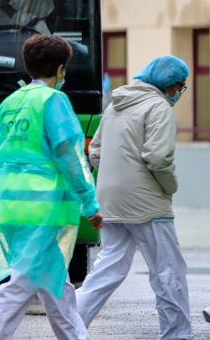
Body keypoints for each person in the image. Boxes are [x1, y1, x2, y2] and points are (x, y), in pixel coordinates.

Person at [0, 34, 102, 340]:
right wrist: (90, 204)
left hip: (8, 207)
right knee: (19, 288)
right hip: (42, 210)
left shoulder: (10, 104)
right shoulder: (53, 101)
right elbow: (69, 156)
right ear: (60, 68)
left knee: (59, 290)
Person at [76, 55, 192, 339]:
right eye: (179, 86)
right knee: (168, 272)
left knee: (108, 268)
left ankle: (70, 323)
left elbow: (95, 152)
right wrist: (170, 187)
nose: (179, 93)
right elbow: (159, 158)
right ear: (167, 84)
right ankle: (177, 334)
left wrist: (116, 176)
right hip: (147, 205)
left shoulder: (116, 105)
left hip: (110, 201)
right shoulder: (158, 107)